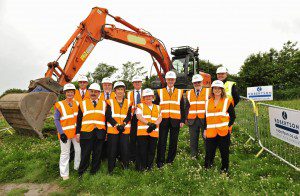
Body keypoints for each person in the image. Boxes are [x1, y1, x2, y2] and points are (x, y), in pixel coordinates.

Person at [153, 71, 185, 168]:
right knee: (162, 141)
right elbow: (155, 106)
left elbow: (182, 107)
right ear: (166, 80)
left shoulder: (180, 92)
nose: (170, 81)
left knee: (173, 142)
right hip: (163, 120)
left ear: (175, 80)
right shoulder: (160, 92)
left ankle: (170, 161)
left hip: (176, 120)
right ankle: (160, 161)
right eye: (169, 79)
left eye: (172, 79)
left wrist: (183, 120)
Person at [203, 80, 236, 174]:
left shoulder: (227, 101)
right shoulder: (207, 102)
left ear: (222, 90)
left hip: (223, 131)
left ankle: (225, 169)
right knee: (209, 151)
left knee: (224, 152)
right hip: (210, 131)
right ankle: (208, 167)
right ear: (212, 90)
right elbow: (205, 117)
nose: (217, 90)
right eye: (215, 88)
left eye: (219, 88)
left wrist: (228, 127)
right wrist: (205, 129)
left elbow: (233, 116)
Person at [76, 83, 107, 176]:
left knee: (97, 154)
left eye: (96, 92)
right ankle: (81, 172)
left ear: (99, 93)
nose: (93, 93)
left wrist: (106, 133)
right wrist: (77, 133)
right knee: (85, 154)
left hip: (100, 132)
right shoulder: (82, 104)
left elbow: (106, 119)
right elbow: (79, 120)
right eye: (92, 91)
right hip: (86, 132)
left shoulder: (104, 104)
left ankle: (94, 172)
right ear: (89, 92)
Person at [54, 83, 81, 180]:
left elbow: (79, 119)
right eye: (68, 92)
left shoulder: (77, 104)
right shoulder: (60, 104)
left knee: (78, 150)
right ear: (65, 93)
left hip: (75, 133)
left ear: (74, 93)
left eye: (71, 92)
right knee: (65, 153)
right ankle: (64, 174)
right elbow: (56, 120)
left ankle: (77, 167)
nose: (70, 94)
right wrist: (61, 133)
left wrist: (79, 132)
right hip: (64, 134)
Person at [105, 81, 132, 173]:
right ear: (115, 91)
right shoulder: (109, 102)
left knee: (125, 149)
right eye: (118, 89)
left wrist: (123, 124)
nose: (120, 91)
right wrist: (117, 125)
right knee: (112, 150)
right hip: (113, 130)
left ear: (124, 91)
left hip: (125, 130)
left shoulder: (129, 102)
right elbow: (108, 116)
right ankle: (110, 169)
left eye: (122, 89)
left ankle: (125, 168)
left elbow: (129, 116)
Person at [136, 88, 162, 171]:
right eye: (146, 97)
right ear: (143, 98)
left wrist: (155, 124)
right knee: (142, 150)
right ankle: (141, 167)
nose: (148, 98)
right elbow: (139, 116)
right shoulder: (140, 106)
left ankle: (149, 167)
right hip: (142, 132)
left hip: (154, 132)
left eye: (149, 96)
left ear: (153, 97)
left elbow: (160, 117)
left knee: (152, 150)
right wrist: (148, 123)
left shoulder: (158, 107)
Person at [185, 74, 210, 158]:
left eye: (198, 82)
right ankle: (193, 156)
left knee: (206, 138)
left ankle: (208, 156)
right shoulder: (188, 93)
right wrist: (185, 118)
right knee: (193, 139)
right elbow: (187, 107)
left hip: (204, 119)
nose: (197, 84)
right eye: (195, 83)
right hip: (192, 120)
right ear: (193, 83)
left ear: (202, 82)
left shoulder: (208, 91)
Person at [127, 75, 143, 163]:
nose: (137, 84)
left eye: (139, 82)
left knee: (141, 138)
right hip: (133, 118)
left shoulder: (146, 92)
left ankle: (140, 155)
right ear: (133, 84)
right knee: (132, 138)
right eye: (135, 82)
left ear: (141, 83)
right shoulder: (129, 94)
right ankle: (132, 157)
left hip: (143, 118)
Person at [99, 77, 115, 161]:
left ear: (111, 86)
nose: (107, 86)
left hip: (112, 120)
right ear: (102, 86)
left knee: (111, 137)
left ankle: (111, 155)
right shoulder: (99, 96)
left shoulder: (115, 95)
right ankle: (103, 156)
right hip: (101, 119)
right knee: (102, 137)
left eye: (109, 85)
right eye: (105, 85)